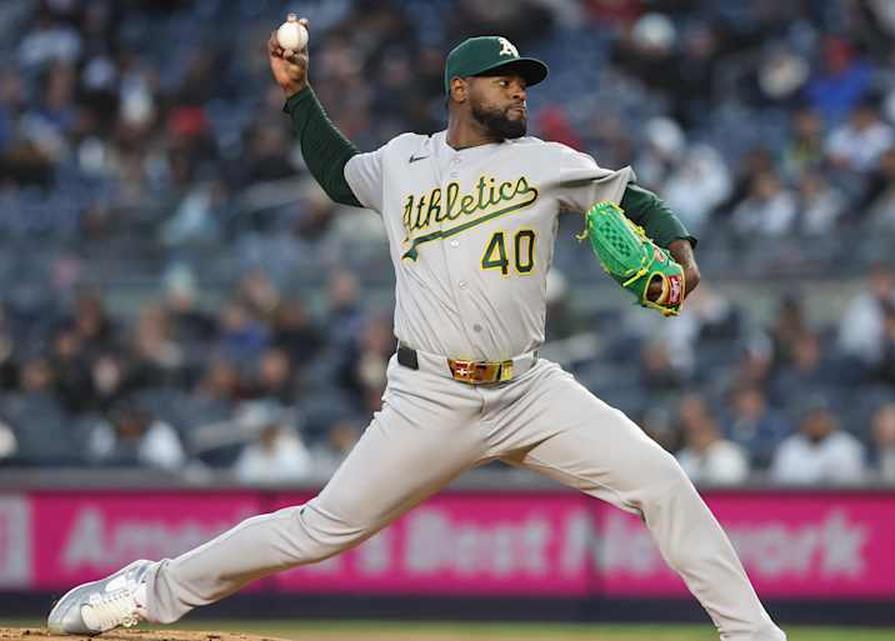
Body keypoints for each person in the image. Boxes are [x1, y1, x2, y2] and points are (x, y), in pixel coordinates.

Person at [47, 19, 785, 641]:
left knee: (660, 479)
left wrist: (683, 257)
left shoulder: (549, 162)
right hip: (428, 395)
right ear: (461, 91)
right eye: (505, 79)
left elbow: (642, 200)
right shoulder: (404, 160)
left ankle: (753, 632)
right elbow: (339, 174)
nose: (520, 89)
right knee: (317, 528)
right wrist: (299, 96)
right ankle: (152, 587)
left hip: (528, 388)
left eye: (523, 79)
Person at [770, 398, 865, 484]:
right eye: (812, 417)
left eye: (821, 417)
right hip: (798, 501)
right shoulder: (789, 448)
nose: (817, 423)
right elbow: (779, 484)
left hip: (837, 501)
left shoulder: (848, 446)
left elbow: (853, 484)